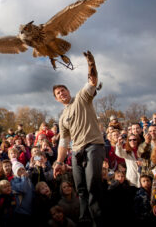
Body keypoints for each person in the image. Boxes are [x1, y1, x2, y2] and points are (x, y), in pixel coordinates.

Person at [52, 51, 105, 227]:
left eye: (63, 90)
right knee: (80, 188)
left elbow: (92, 81)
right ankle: (84, 220)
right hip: (77, 151)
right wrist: (59, 162)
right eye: (58, 93)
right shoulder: (62, 117)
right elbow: (63, 142)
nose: (61, 94)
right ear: (57, 99)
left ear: (68, 91)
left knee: (92, 185)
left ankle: (98, 220)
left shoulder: (82, 98)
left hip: (93, 146)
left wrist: (91, 63)